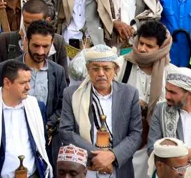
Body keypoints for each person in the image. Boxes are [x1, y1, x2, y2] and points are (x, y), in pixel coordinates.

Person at [57, 45, 144, 178]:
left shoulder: (130, 94)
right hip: (86, 166)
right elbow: (66, 131)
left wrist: (112, 155)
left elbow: (136, 134)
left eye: (106, 68)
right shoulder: (72, 94)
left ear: (115, 70)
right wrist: (98, 156)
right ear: (87, 69)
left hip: (119, 167)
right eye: (95, 68)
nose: (101, 73)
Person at [0, 61, 49, 178]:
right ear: (7, 83)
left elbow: (41, 144)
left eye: (29, 81)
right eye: (23, 83)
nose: (28, 87)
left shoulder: (36, 107)